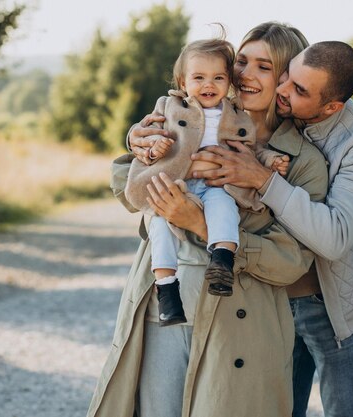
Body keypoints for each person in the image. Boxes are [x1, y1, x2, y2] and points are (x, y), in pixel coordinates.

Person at [87, 22, 328, 417]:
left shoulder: (301, 161)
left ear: (286, 78)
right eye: (242, 61)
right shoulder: (186, 121)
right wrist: (143, 145)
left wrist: (198, 222)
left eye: (264, 67)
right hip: (165, 304)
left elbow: (290, 263)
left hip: (240, 325)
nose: (245, 74)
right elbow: (124, 186)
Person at [190, 41, 353, 417]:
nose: (283, 90)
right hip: (270, 296)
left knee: (346, 407)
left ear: (330, 107)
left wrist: (265, 179)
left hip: (325, 297)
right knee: (282, 407)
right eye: (287, 76)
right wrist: (139, 136)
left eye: (299, 91)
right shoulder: (252, 110)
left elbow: (335, 237)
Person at [125, 34, 292, 327]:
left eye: (218, 78)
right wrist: (150, 145)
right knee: (160, 224)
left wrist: (268, 161)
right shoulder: (169, 106)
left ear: (228, 82)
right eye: (199, 77)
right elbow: (148, 134)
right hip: (175, 182)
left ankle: (222, 260)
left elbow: (250, 148)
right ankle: (166, 289)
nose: (208, 85)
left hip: (215, 185)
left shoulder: (236, 115)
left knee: (224, 208)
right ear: (182, 82)